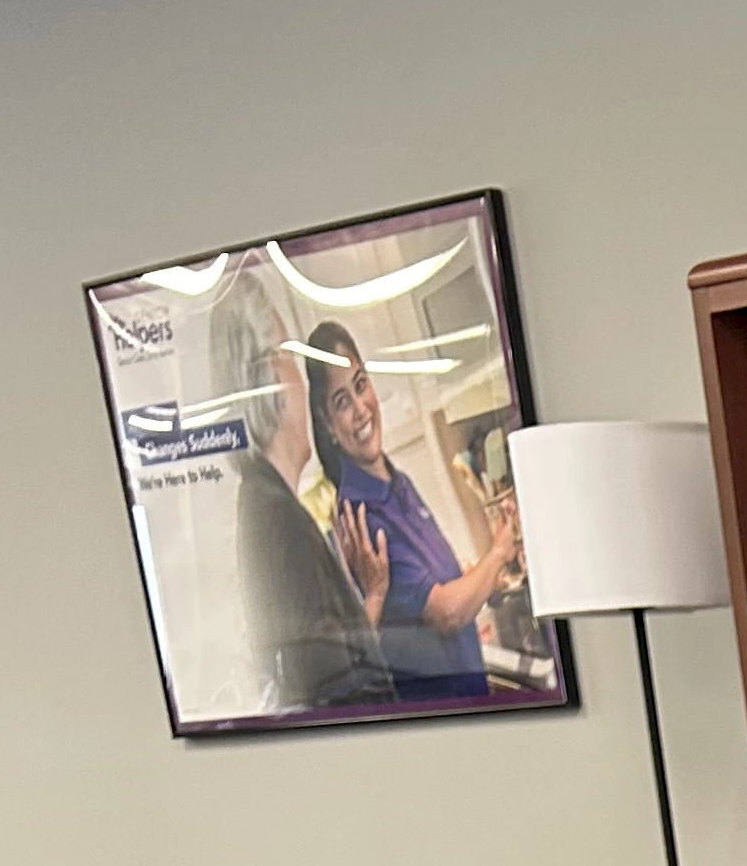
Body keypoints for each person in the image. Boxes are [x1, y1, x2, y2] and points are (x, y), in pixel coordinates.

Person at [303, 319, 523, 701]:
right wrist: (501, 551)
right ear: (328, 424)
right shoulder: (362, 515)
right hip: (441, 715)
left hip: (470, 698)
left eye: (360, 385)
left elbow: (437, 589)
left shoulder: (396, 480)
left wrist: (476, 576)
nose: (360, 409)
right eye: (342, 402)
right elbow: (447, 614)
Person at [210, 267, 391, 716]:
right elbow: (335, 700)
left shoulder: (268, 504)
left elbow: (326, 671)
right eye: (290, 356)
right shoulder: (276, 520)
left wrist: (368, 598)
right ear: (267, 375)